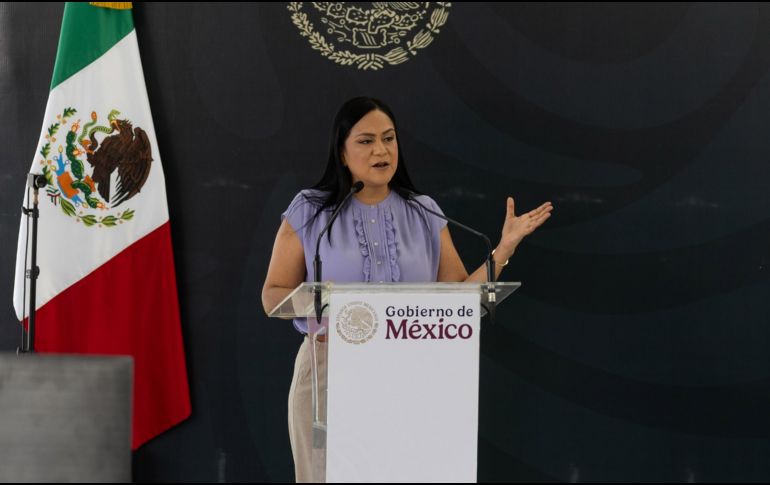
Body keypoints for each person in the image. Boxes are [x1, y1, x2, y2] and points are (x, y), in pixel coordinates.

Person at [261, 96, 552, 482]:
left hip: (412, 375)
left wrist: (504, 249)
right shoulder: (310, 211)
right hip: (329, 372)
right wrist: (319, 298)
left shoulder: (423, 211)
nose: (381, 150)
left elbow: (460, 300)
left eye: (389, 138)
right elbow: (271, 295)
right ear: (342, 152)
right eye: (366, 140)